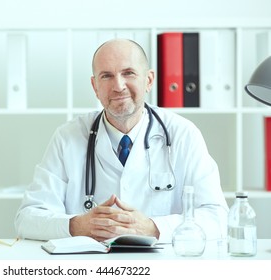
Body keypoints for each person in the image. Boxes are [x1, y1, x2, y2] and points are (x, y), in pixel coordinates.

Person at [15, 38, 228, 243]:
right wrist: (77, 225)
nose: (118, 86)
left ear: (149, 80)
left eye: (128, 73)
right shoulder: (68, 137)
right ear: (95, 86)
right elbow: (27, 219)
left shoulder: (183, 134)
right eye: (106, 76)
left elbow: (217, 218)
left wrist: (153, 227)